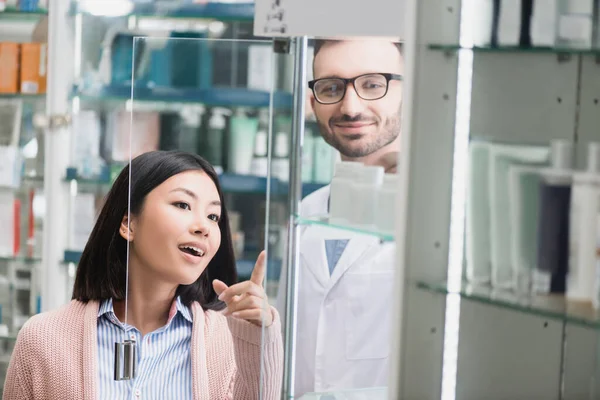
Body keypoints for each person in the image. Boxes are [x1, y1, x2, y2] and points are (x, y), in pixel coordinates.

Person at [4, 151, 283, 400]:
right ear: (128, 223)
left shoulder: (230, 338)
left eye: (213, 216)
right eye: (183, 205)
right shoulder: (43, 338)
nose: (204, 227)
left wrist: (257, 341)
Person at [277, 38, 403, 397]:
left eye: (373, 85)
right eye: (331, 87)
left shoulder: (440, 217)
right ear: (313, 101)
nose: (350, 107)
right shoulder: (308, 211)